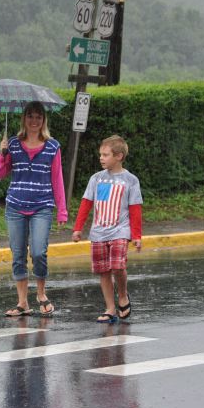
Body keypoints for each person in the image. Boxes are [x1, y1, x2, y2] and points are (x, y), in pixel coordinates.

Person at [0, 101, 67, 317]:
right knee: (18, 255)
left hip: (42, 206)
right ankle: (22, 302)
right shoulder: (13, 144)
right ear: (24, 119)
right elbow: (0, 174)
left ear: (43, 120)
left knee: (38, 252)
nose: (34, 121)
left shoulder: (53, 146)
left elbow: (57, 179)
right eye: (30, 116)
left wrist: (62, 210)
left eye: (38, 117)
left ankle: (41, 293)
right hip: (15, 206)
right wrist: (3, 153)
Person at [72, 135, 143, 323]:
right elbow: (86, 203)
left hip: (121, 230)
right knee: (103, 270)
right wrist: (78, 228)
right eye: (100, 155)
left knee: (118, 266)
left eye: (105, 155)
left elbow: (135, 209)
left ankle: (123, 296)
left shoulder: (131, 180)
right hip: (98, 232)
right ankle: (110, 307)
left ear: (119, 156)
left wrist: (136, 236)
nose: (101, 158)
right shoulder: (96, 179)